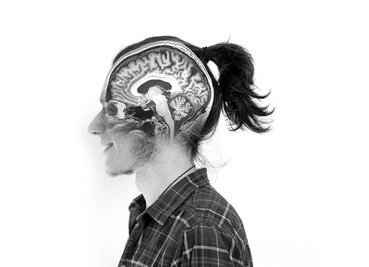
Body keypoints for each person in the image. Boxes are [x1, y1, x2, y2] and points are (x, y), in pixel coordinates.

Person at [88, 36, 273, 267]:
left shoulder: (200, 227)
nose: (94, 126)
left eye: (112, 109)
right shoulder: (154, 219)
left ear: (159, 123)